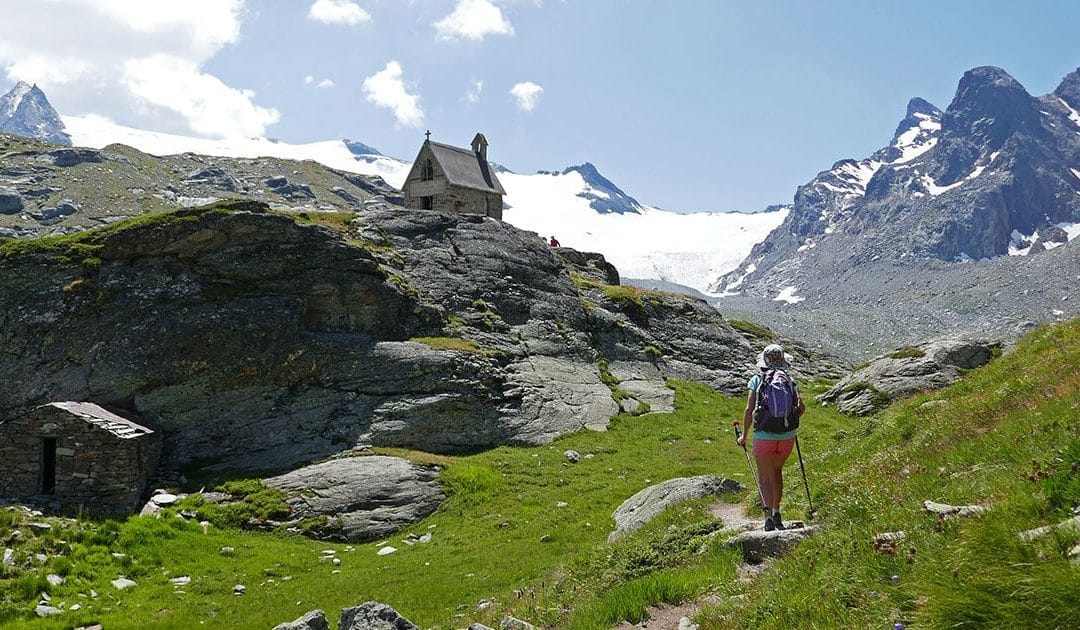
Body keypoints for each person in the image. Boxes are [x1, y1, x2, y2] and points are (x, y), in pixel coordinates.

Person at [736, 343, 805, 531]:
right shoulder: (789, 379)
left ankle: (767, 519)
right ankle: (777, 512)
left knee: (765, 478)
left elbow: (749, 409)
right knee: (777, 472)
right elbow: (801, 408)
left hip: (764, 435)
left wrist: (745, 435)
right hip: (787, 436)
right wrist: (788, 420)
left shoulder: (757, 380)